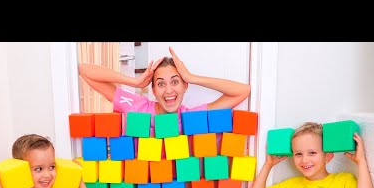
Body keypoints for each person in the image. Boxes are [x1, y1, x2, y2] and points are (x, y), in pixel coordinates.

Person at [79, 46, 251, 136]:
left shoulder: (192, 117)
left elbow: (242, 91)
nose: (169, 90)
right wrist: (134, 82)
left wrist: (192, 77)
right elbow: (84, 69)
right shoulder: (136, 106)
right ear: (153, 90)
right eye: (161, 84)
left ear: (185, 86)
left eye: (175, 82)